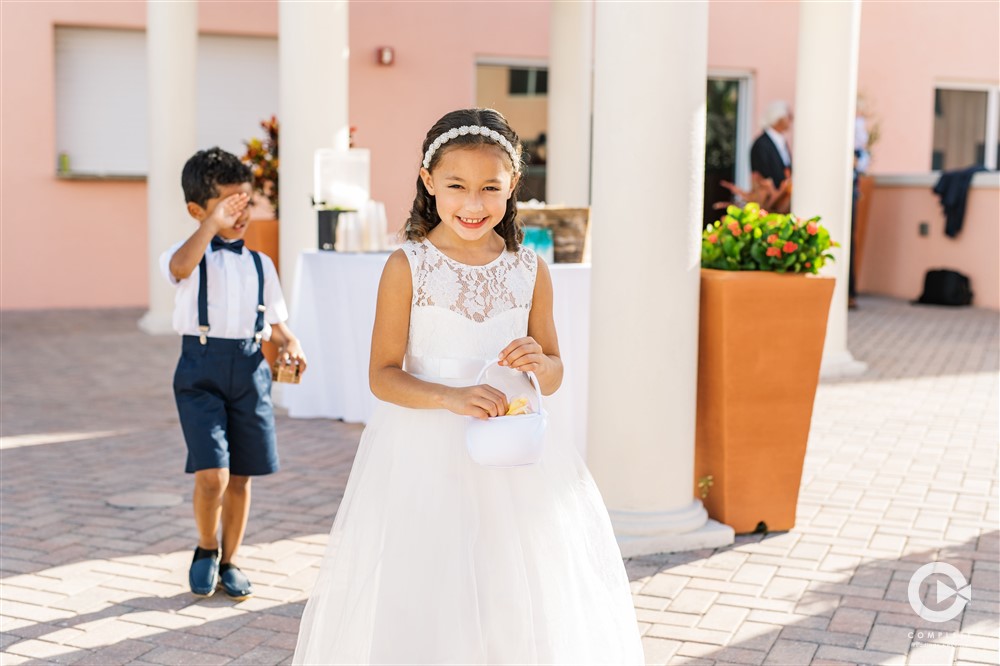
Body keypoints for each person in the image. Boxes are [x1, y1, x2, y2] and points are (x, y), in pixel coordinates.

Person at [293, 109, 644, 664]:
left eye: (491, 188)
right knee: (431, 584)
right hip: (425, 452)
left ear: (512, 189)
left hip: (514, 460)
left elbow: (553, 373)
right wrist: (451, 398)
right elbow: (381, 375)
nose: (474, 205)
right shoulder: (408, 266)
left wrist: (540, 362)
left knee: (511, 586)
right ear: (430, 183)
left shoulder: (529, 268)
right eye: (457, 187)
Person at [161, 147, 307, 600]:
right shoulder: (188, 255)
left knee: (241, 476)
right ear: (196, 210)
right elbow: (178, 268)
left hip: (249, 371)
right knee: (214, 476)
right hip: (200, 372)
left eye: (244, 203)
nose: (239, 214)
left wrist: (291, 346)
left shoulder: (261, 264)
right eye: (228, 205)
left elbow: (277, 327)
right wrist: (213, 224)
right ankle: (206, 547)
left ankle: (231, 559)